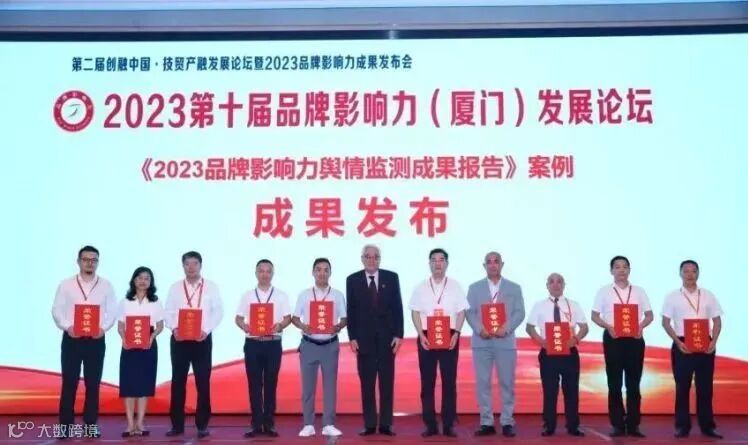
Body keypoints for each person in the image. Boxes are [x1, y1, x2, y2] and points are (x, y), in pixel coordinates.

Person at [51, 245, 117, 439]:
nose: (90, 263)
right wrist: (67, 326)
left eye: (94, 260)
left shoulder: (106, 285)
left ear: (98, 262)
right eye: (86, 259)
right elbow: (57, 309)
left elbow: (112, 311)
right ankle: (65, 427)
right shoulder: (66, 285)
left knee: (93, 384)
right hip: (72, 340)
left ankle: (90, 425)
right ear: (78, 262)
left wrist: (103, 328)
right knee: (69, 383)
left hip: (95, 341)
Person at [591, 255, 654, 437]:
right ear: (611, 271)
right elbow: (595, 316)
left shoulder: (639, 291)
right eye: (617, 267)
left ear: (629, 270)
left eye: (625, 267)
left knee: (634, 384)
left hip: (635, 339)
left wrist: (641, 327)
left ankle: (633, 425)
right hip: (613, 339)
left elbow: (649, 315)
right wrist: (608, 327)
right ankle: (618, 424)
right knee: (614, 383)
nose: (621, 270)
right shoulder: (604, 291)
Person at [409, 248, 469, 437]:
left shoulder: (455, 286)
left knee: (449, 382)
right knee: (427, 382)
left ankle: (449, 424)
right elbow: (415, 312)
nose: (438, 263)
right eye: (434, 260)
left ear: (447, 264)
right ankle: (430, 425)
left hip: (449, 335)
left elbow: (461, 312)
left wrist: (456, 333)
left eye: (441, 260)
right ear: (429, 263)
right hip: (427, 336)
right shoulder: (420, 287)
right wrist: (421, 334)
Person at [164, 251, 224, 439]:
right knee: (178, 382)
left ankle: (202, 424)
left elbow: (218, 312)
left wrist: (205, 330)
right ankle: (177, 425)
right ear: (183, 266)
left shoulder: (211, 287)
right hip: (179, 340)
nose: (191, 268)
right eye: (187, 264)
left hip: (202, 340)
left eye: (194, 264)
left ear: (200, 265)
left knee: (203, 382)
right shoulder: (175, 288)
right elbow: (168, 311)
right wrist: (174, 329)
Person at [346, 244, 403, 436]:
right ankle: (370, 424)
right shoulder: (353, 280)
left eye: (375, 256)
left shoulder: (391, 277)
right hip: (364, 341)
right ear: (362, 259)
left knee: (387, 383)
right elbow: (351, 311)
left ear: (380, 259)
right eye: (368, 256)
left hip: (388, 341)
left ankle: (386, 424)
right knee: (367, 384)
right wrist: (352, 337)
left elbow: (398, 307)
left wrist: (399, 335)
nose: (371, 260)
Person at [466, 251, 525, 437]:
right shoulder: (474, 288)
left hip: (505, 341)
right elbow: (469, 312)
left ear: (502, 264)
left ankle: (507, 421)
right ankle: (486, 422)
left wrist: (506, 328)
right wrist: (480, 329)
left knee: (507, 383)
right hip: (481, 341)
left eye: (496, 261)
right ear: (484, 266)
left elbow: (519, 312)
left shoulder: (514, 288)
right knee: (483, 383)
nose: (493, 265)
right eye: (489, 262)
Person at [662, 260, 723, 439]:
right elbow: (665, 322)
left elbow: (717, 321)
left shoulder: (708, 295)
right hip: (682, 343)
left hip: (705, 343)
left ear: (698, 273)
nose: (690, 275)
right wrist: (677, 342)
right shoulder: (672, 297)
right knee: (682, 387)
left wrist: (713, 342)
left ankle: (707, 426)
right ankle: (682, 426)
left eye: (693, 271)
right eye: (686, 271)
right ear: (680, 274)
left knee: (705, 387)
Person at [525, 273, 588, 437]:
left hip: (569, 353)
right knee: (550, 391)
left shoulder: (574, 305)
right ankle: (549, 425)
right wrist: (541, 342)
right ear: (547, 285)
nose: (556, 285)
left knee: (572, 391)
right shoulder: (539, 305)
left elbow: (584, 327)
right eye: (552, 282)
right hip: (548, 353)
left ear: (564, 285)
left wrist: (576, 339)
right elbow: (529, 328)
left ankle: (573, 426)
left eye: (559, 282)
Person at [235, 259, 292, 438]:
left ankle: (269, 424)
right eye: (261, 271)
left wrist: (280, 325)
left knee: (270, 383)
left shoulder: (281, 295)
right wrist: (245, 326)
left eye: (268, 271)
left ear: (272, 274)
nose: (264, 274)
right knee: (254, 384)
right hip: (252, 343)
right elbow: (238, 318)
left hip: (273, 343)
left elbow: (288, 318)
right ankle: (255, 424)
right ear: (256, 273)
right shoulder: (247, 295)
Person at [292, 258, 347, 437]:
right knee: (308, 387)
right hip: (309, 345)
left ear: (330, 273)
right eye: (318, 269)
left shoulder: (337, 295)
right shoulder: (305, 294)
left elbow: (344, 319)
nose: (322, 273)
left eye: (325, 270)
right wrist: (303, 326)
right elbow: (295, 318)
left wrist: (337, 327)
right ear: (313, 272)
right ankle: (308, 424)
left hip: (330, 345)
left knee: (330, 387)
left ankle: (328, 424)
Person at [116, 266, 164, 437]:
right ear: (134, 280)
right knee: (129, 385)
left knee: (144, 385)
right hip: (129, 345)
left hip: (148, 345)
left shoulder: (155, 301)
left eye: (147, 278)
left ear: (151, 282)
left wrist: (151, 337)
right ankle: (130, 424)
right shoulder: (125, 301)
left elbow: (160, 326)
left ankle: (140, 423)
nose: (143, 281)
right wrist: (124, 339)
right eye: (140, 278)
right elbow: (120, 326)